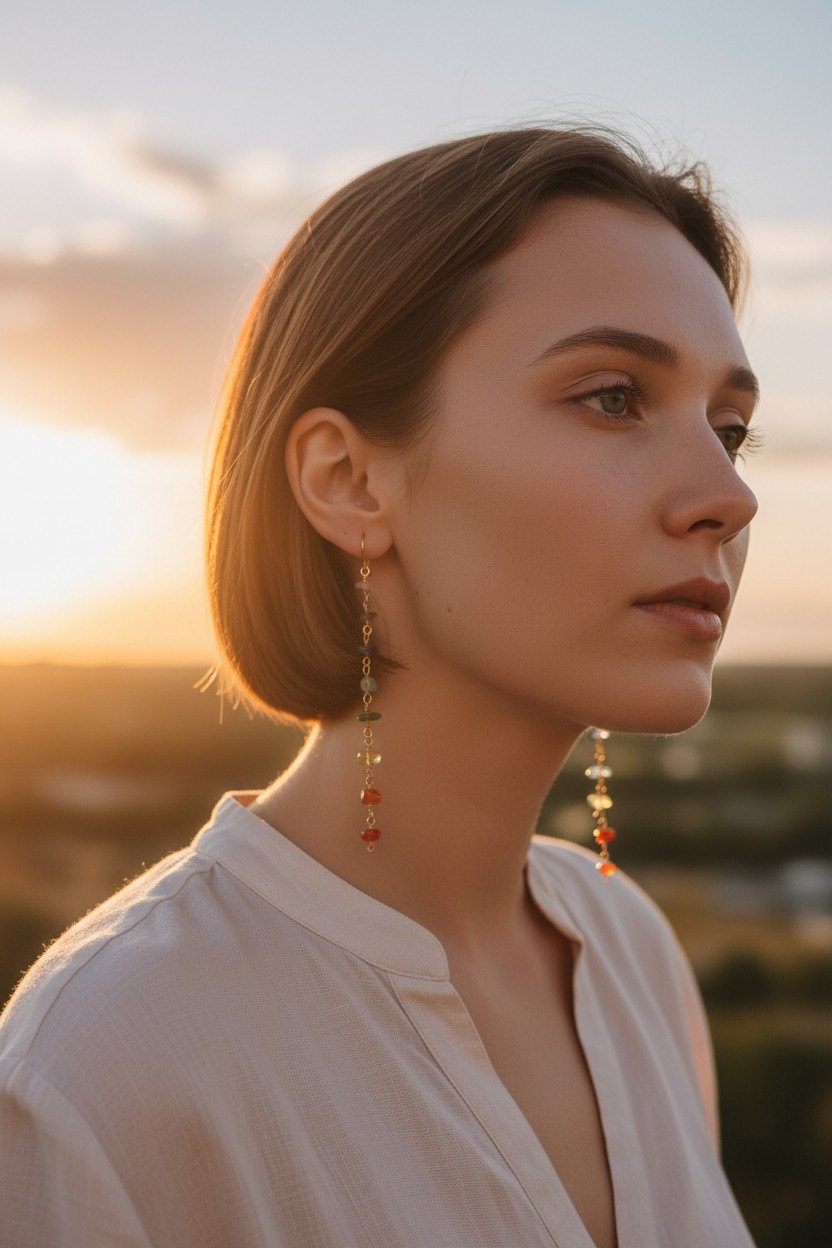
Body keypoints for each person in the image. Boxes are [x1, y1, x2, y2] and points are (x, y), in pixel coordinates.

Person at [0, 125, 760, 1247]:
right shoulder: (105, 1067)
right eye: (612, 398)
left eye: (731, 429)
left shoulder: (631, 953)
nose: (726, 496)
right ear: (349, 481)